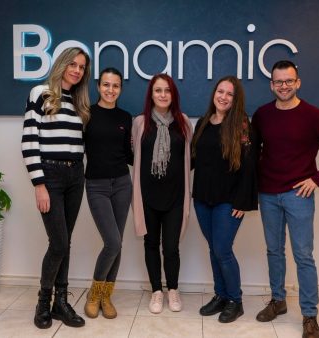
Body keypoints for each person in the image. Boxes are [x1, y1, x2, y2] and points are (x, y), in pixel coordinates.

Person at [252, 60, 319, 338]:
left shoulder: (314, 115)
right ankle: (278, 300)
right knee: (274, 251)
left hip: (299, 195)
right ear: (271, 85)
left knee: (303, 256)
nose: (283, 86)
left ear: (297, 83)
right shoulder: (262, 115)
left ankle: (310, 315)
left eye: (289, 81)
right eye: (278, 82)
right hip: (268, 194)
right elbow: (253, 151)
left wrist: (317, 178)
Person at [21, 47, 91, 329]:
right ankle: (43, 302)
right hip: (50, 175)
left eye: (82, 67)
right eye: (72, 64)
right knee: (59, 242)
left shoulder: (79, 102)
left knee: (65, 241)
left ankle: (60, 303)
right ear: (61, 64)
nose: (76, 70)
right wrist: (39, 184)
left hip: (76, 175)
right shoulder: (40, 93)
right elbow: (29, 140)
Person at [191, 76, 257, 323]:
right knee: (214, 249)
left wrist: (242, 201)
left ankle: (235, 300)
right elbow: (193, 159)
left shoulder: (242, 125)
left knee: (222, 249)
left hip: (228, 201)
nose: (224, 97)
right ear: (214, 93)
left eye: (230, 94)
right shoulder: (203, 122)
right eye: (220, 91)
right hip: (202, 199)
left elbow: (249, 166)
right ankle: (220, 295)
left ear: (236, 98)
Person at [131, 73, 192, 314]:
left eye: (167, 90)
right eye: (158, 90)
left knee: (171, 247)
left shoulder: (184, 122)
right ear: (151, 94)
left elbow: (189, 159)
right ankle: (157, 291)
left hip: (176, 197)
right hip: (147, 196)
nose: (163, 95)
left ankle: (173, 290)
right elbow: (133, 155)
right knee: (150, 244)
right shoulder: (140, 123)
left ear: (173, 94)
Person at [83, 67, 133, 319]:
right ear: (98, 86)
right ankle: (94, 292)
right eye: (106, 85)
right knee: (112, 242)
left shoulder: (126, 117)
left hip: (123, 184)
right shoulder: (86, 114)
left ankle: (106, 296)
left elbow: (130, 155)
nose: (110, 90)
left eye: (115, 86)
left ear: (120, 89)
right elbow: (75, 149)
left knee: (117, 243)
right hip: (96, 185)